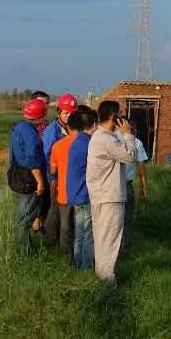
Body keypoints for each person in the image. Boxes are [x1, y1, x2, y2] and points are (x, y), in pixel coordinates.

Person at [86, 101, 136, 286]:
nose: (123, 118)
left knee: (102, 240)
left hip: (102, 196)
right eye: (120, 114)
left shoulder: (101, 136)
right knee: (109, 242)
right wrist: (128, 135)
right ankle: (107, 283)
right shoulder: (106, 140)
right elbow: (130, 155)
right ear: (114, 116)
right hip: (110, 198)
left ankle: (102, 278)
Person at [50, 107, 98, 268]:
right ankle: (85, 266)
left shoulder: (62, 145)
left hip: (67, 195)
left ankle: (72, 263)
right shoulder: (88, 144)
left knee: (72, 232)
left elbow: (53, 173)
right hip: (83, 195)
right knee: (85, 233)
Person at [8, 97, 49, 253]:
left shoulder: (18, 128)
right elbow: (33, 160)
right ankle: (24, 252)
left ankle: (26, 248)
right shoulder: (31, 133)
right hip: (28, 180)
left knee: (21, 217)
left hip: (17, 177)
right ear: (41, 116)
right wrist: (40, 182)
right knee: (24, 220)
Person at [42, 93, 78, 247]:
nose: (69, 116)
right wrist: (52, 178)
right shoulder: (52, 131)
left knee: (66, 213)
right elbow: (47, 156)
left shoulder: (73, 130)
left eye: (72, 113)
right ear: (58, 112)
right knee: (55, 210)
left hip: (68, 177)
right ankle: (50, 243)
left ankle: (65, 243)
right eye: (66, 113)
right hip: (55, 178)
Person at [115, 115, 148, 252]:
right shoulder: (136, 142)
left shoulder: (108, 139)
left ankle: (112, 249)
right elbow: (141, 166)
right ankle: (124, 248)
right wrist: (144, 186)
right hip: (125, 185)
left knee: (112, 219)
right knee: (126, 218)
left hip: (109, 186)